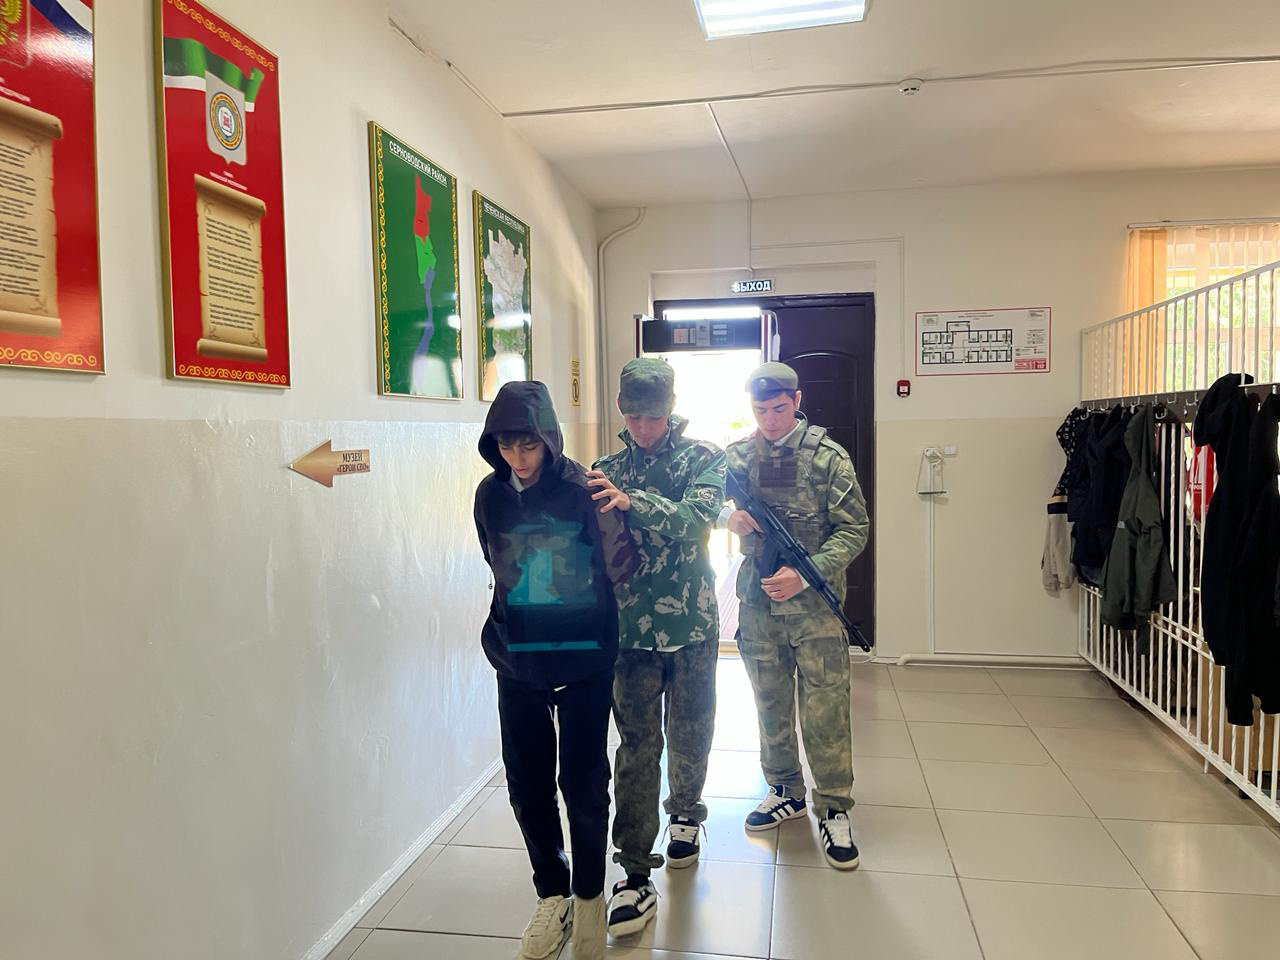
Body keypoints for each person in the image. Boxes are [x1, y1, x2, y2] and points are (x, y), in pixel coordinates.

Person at [473, 381, 639, 960]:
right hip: (517, 659)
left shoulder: (585, 490)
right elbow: (496, 561)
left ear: (549, 439)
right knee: (527, 783)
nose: (519, 458)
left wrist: (613, 516)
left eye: (529, 446)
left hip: (584, 658)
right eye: (507, 447)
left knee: (584, 784)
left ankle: (590, 895)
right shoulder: (489, 495)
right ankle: (552, 894)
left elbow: (621, 567)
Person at [586, 358, 727, 938]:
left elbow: (697, 520)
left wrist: (631, 502)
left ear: (671, 409)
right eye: (634, 417)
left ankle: (687, 814)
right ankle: (634, 870)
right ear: (621, 410)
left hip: (692, 623)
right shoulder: (604, 469)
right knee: (637, 746)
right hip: (630, 632)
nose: (644, 428)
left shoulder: (704, 458)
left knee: (691, 729)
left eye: (654, 416)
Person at [724, 362, 870, 870]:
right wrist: (727, 516)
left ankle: (834, 806)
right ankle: (785, 789)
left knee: (825, 708)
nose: (769, 419)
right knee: (769, 702)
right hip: (759, 604)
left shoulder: (828, 458)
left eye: (779, 409)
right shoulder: (738, 456)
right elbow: (701, 500)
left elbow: (854, 529)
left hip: (815, 610)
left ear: (798, 400)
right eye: (760, 410)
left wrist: (807, 575)